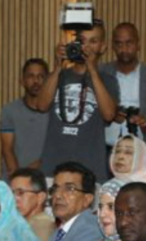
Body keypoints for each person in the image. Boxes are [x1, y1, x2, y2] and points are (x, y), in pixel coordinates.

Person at [37, 19, 119, 183]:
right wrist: (58, 67)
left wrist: (92, 70)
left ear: (103, 47)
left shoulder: (108, 80)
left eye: (93, 41)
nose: (86, 47)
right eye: (82, 41)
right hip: (53, 167)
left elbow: (109, 115)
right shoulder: (59, 76)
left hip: (90, 169)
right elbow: (41, 105)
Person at [102, 22, 146, 156]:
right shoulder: (101, 73)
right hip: (106, 150)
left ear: (138, 45)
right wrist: (110, 116)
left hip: (143, 150)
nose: (124, 48)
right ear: (113, 46)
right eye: (119, 44)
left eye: (129, 43)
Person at [0, 58, 50, 176]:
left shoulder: (55, 112)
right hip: (13, 177)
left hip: (45, 178)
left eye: (41, 76)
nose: (36, 81)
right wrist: (18, 177)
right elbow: (7, 148)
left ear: (48, 81)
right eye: (31, 76)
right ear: (22, 81)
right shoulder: (10, 110)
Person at [9, 168, 55, 241]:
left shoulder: (43, 226)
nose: (14, 199)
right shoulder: (21, 224)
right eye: (11, 193)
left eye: (20, 193)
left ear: (40, 197)